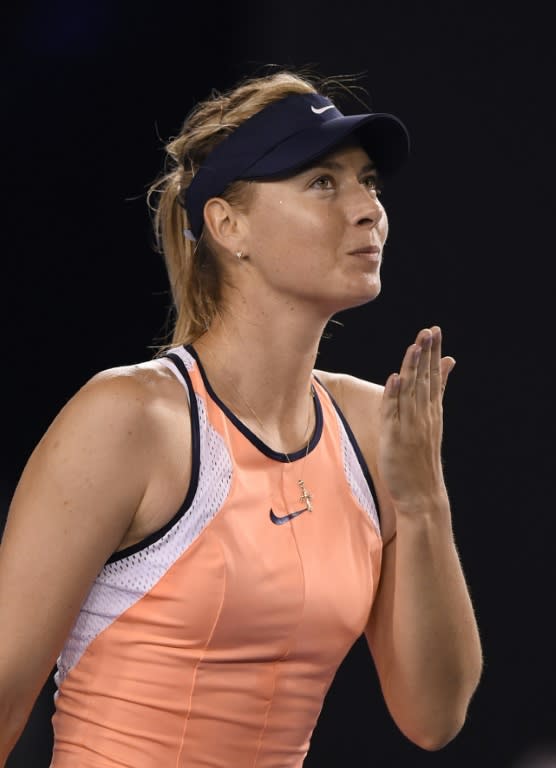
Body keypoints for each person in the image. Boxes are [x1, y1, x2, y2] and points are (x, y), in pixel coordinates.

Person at [0, 68, 483, 767]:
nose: (367, 208)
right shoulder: (130, 419)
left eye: (369, 180)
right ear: (228, 224)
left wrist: (423, 501)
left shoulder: (378, 426)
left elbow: (435, 717)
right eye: (323, 182)